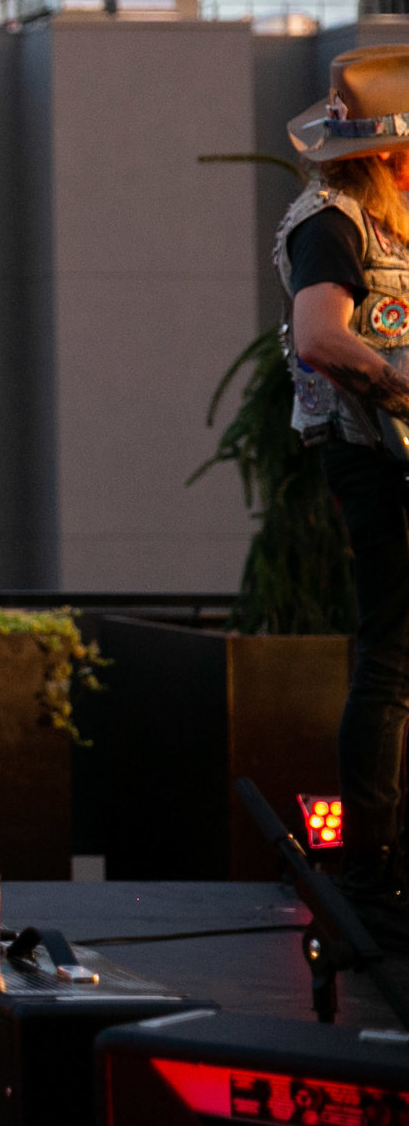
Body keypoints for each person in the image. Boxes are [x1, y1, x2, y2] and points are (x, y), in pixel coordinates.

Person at [281, 45, 409, 920]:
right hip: (375, 456)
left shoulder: (390, 220)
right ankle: (370, 869)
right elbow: (321, 337)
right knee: (392, 654)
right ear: (384, 153)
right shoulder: (330, 222)